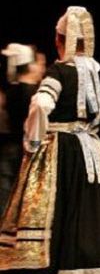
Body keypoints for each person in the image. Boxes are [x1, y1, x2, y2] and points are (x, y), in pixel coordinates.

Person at [0, 6, 100, 274]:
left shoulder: (59, 71)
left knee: (52, 219)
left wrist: (33, 142)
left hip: (59, 153)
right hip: (88, 155)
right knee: (85, 221)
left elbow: (40, 105)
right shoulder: (94, 72)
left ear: (58, 39)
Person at [0, 43, 46, 213]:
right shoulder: (35, 94)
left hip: (10, 148)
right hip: (27, 150)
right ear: (30, 65)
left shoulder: (9, 91)